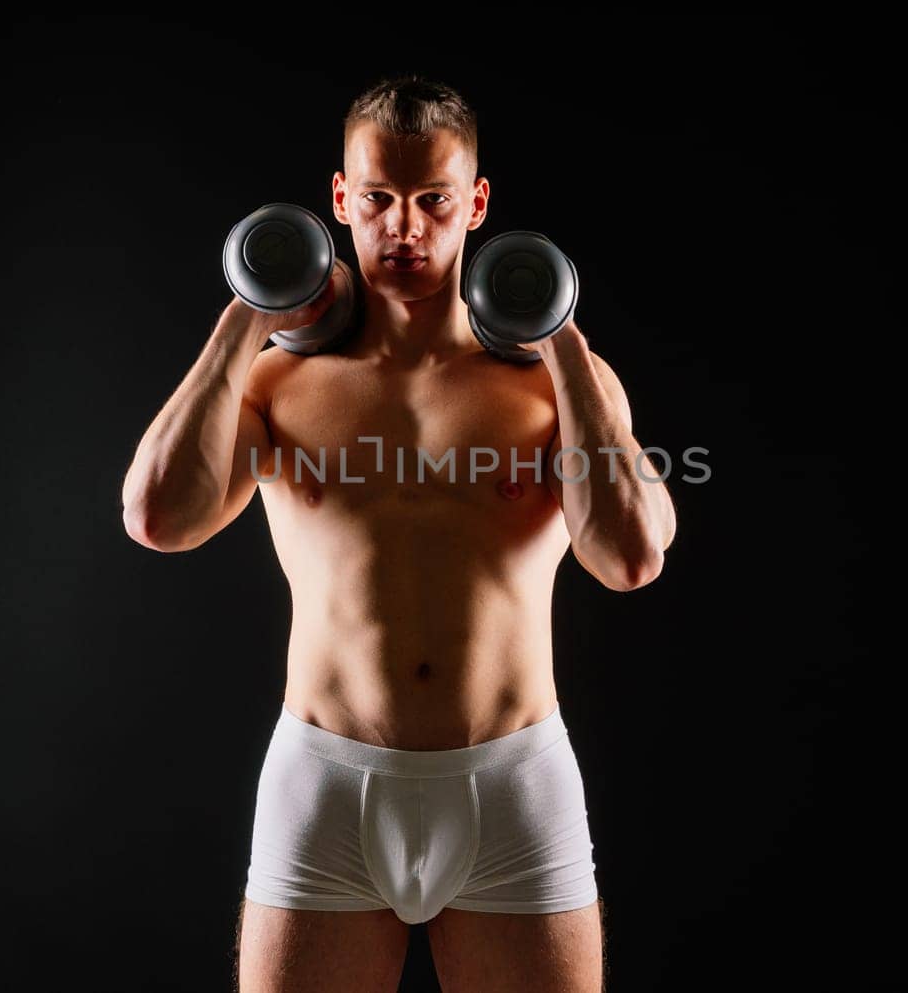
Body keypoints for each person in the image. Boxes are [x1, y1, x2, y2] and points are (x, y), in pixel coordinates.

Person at [121, 74, 676, 991]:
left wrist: (559, 331)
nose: (404, 228)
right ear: (338, 202)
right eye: (376, 199)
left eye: (433, 202)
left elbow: (631, 558)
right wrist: (250, 307)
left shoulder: (553, 387)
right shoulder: (272, 386)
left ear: (478, 206)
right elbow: (156, 517)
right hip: (326, 785)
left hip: (513, 785)